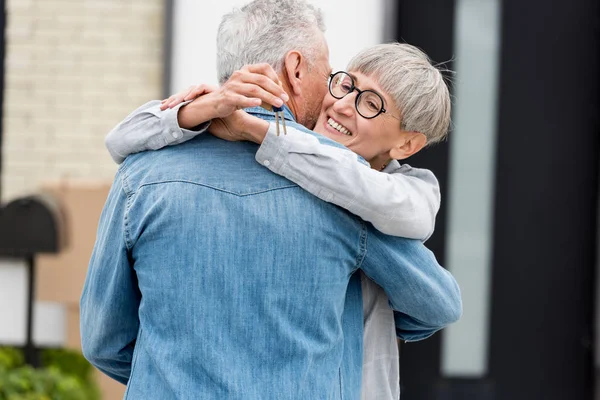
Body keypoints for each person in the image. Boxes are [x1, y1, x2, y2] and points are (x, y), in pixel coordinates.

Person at [81, 1, 461, 399]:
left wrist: (173, 377)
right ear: (297, 70)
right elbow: (435, 305)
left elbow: (103, 342)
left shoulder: (139, 177)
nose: (339, 100)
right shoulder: (339, 194)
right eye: (334, 78)